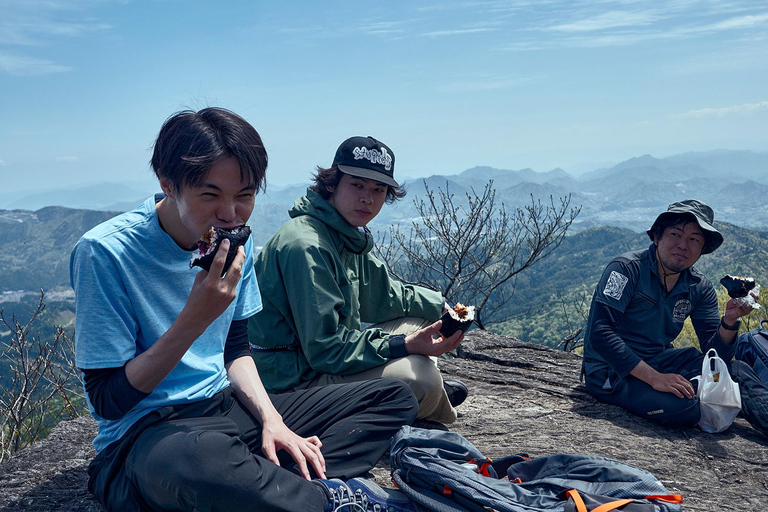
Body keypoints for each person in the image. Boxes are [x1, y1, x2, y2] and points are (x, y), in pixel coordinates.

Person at [70, 108, 423, 512]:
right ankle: (317, 499)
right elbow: (108, 400)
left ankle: (265, 492)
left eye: (245, 195)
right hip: (149, 435)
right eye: (210, 194)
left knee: (393, 397)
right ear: (169, 185)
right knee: (196, 462)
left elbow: (236, 349)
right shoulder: (106, 253)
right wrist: (194, 318)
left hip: (224, 409)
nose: (230, 213)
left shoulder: (233, 243)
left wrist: (273, 420)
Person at [248, 136, 468, 427]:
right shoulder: (307, 247)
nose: (368, 198)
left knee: (422, 317)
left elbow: (384, 295)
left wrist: (438, 307)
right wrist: (405, 345)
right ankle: (435, 403)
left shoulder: (343, 233)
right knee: (420, 379)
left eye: (378, 189)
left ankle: (426, 393)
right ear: (331, 184)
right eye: (357, 185)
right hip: (295, 382)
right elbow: (326, 351)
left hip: (326, 362)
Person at [582, 199, 756, 427]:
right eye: (675, 234)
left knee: (736, 371)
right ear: (656, 237)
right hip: (611, 370)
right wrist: (655, 378)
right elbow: (601, 333)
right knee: (684, 408)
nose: (683, 245)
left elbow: (715, 354)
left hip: (660, 360)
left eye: (694, 239)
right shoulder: (625, 270)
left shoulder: (699, 287)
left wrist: (730, 321)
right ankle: (698, 395)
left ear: (702, 250)